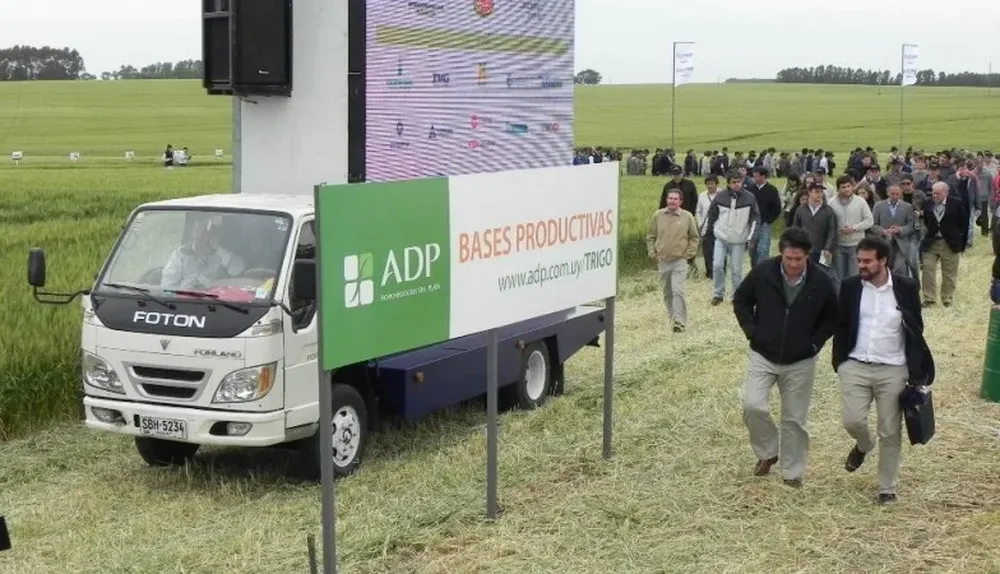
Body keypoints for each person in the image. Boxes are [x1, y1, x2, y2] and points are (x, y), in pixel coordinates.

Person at [732, 227, 839, 488]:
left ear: (807, 256)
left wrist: (815, 343)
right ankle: (768, 452)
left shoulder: (823, 281)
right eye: (788, 258)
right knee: (752, 406)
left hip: (801, 360)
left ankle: (792, 473)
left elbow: (833, 317)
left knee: (794, 419)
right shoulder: (763, 272)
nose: (792, 264)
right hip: (763, 354)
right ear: (781, 254)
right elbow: (741, 300)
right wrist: (752, 332)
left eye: (798, 259)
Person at [832, 236, 934, 504]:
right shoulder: (851, 286)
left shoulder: (907, 287)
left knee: (890, 430)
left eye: (867, 261)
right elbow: (841, 325)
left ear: (883, 260)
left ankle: (886, 488)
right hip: (855, 365)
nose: (861, 266)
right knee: (852, 420)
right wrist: (840, 362)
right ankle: (865, 445)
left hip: (893, 369)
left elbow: (915, 328)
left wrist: (915, 371)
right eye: (859, 261)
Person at [703, 171, 761, 306]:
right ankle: (718, 294)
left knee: (736, 270)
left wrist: (751, 239)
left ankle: (737, 295)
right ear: (728, 183)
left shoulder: (750, 198)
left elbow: (755, 219)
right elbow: (712, 216)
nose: (737, 184)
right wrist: (708, 234)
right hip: (721, 238)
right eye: (734, 182)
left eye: (739, 181)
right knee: (717, 266)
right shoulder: (720, 197)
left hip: (738, 240)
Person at [647, 190, 700, 332]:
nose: (672, 201)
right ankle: (672, 317)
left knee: (678, 290)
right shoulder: (658, 215)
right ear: (666, 200)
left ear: (680, 202)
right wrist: (652, 253)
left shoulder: (687, 216)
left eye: (675, 199)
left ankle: (680, 321)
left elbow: (694, 237)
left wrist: (688, 254)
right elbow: (651, 236)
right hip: (663, 260)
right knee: (667, 292)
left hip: (679, 260)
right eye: (670, 198)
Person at [161, 218, 246, 290]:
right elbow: (167, 285)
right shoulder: (180, 254)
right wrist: (184, 290)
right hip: (185, 300)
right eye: (197, 230)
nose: (199, 236)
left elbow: (237, 270)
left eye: (204, 232)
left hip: (215, 302)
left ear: (212, 236)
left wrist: (218, 249)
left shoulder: (220, 255)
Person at [921, 181, 969, 307]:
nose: (934, 196)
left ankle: (947, 298)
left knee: (949, 273)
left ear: (946, 193)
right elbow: (926, 220)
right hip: (931, 242)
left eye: (937, 193)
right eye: (933, 193)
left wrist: (959, 241)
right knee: (927, 269)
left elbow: (963, 223)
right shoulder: (927, 203)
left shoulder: (956, 203)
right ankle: (929, 299)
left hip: (950, 243)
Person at [792, 182, 837, 266]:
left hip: (823, 251)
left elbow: (832, 231)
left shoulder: (828, 210)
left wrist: (828, 248)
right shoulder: (800, 209)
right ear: (809, 192)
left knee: (823, 274)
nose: (819, 194)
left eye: (821, 192)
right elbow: (795, 230)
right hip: (805, 250)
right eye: (816, 191)